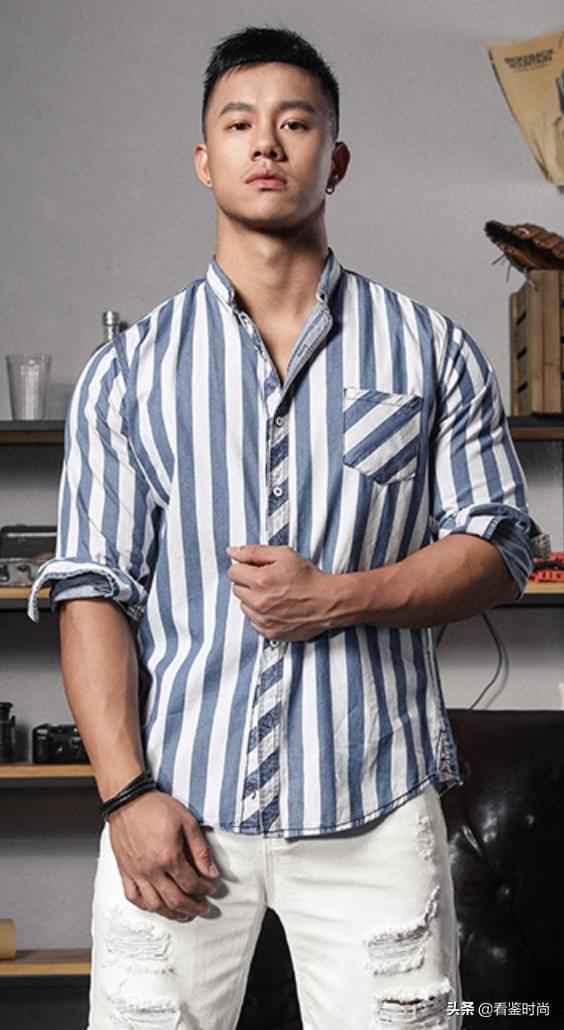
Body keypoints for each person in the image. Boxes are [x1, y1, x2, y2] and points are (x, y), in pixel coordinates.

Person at [29, 25, 546, 1030]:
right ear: (205, 159)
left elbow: (500, 547)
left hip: (374, 809)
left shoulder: (430, 351)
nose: (266, 143)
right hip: (179, 809)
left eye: (295, 123)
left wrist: (340, 596)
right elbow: (93, 587)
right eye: (239, 123)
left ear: (335, 159)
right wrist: (125, 793)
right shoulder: (127, 374)